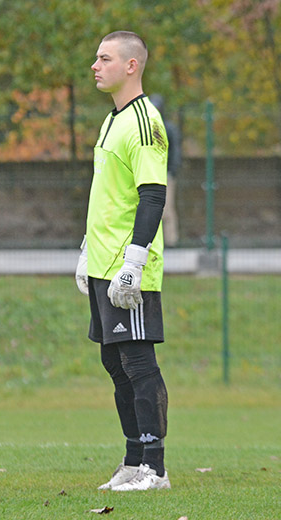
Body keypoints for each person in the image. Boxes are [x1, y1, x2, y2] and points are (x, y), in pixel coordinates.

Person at [75, 30, 170, 491]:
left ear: (131, 65)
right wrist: (84, 251)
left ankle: (156, 467)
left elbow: (152, 196)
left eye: (104, 58)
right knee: (114, 364)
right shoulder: (111, 121)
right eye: (96, 58)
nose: (95, 66)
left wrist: (134, 260)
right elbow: (108, 196)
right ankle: (133, 461)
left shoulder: (146, 122)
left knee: (138, 363)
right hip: (101, 263)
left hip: (127, 266)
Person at [149, 95, 182, 246]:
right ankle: (154, 242)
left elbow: (175, 151)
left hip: (165, 174)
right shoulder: (147, 128)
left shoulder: (168, 128)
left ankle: (171, 241)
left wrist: (172, 171)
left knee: (167, 210)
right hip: (150, 173)